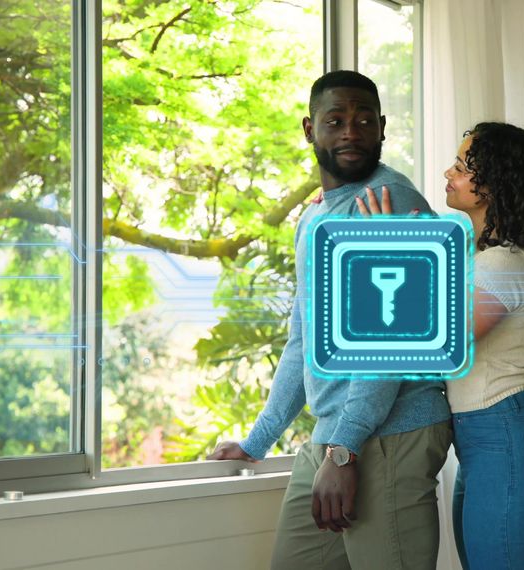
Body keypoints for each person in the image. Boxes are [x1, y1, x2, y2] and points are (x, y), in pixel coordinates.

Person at [208, 70, 452, 570]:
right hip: (336, 435)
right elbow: (303, 338)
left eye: (365, 120)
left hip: (390, 435)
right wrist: (257, 441)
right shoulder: (315, 218)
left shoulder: (392, 202)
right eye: (335, 120)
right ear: (309, 128)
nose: (351, 132)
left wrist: (345, 450)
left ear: (382, 128)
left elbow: (392, 338)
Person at [357, 121, 524, 570]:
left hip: (510, 435)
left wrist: (393, 250)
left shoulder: (505, 262)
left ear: (494, 184)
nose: (447, 173)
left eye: (460, 166)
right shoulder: (481, 256)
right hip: (488, 439)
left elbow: (436, 345)